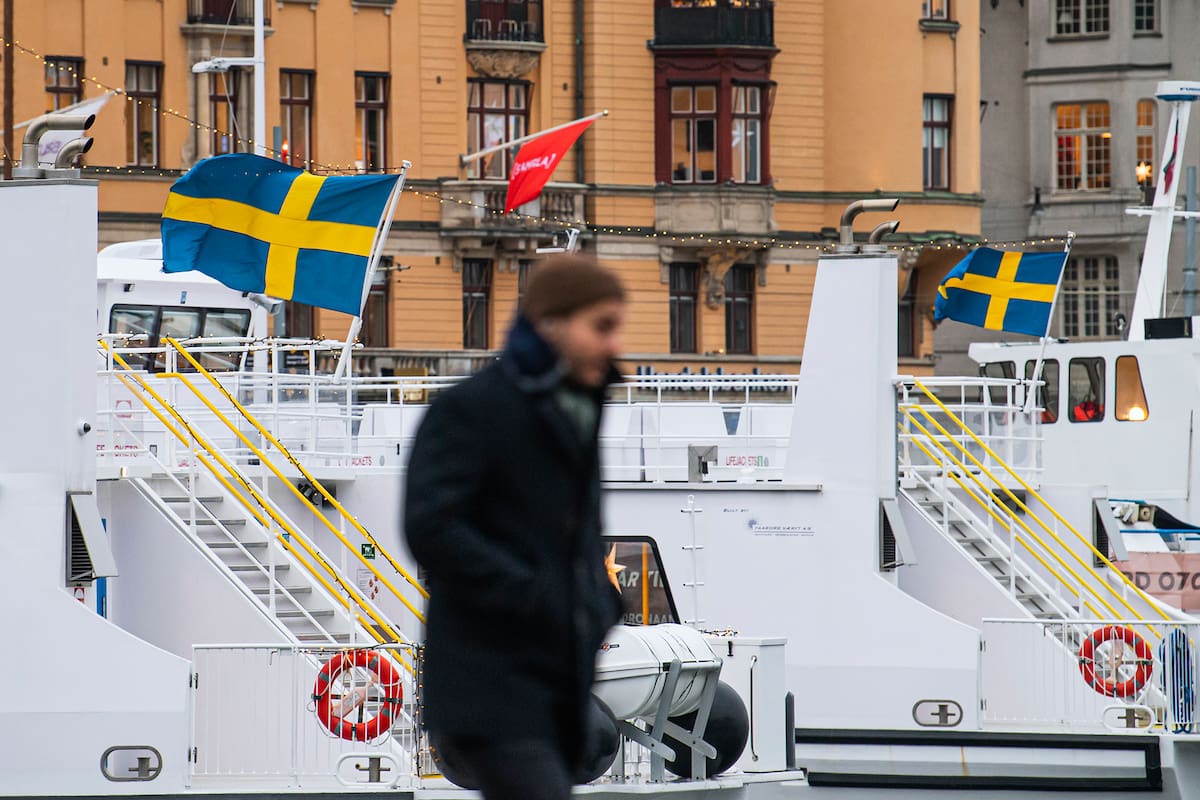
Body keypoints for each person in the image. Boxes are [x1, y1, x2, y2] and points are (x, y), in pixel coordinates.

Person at [404, 253, 627, 800]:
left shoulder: (577, 409)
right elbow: (431, 527)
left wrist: (598, 607)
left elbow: (576, 538)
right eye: (601, 327)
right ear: (553, 323)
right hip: (489, 688)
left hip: (551, 686)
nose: (614, 346)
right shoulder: (471, 410)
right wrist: (540, 596)